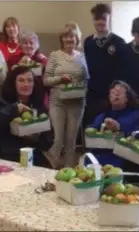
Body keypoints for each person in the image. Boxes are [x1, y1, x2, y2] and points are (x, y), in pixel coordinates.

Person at [0, 66, 53, 167]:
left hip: (32, 156)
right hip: (6, 158)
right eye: (21, 80)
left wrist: (37, 137)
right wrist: (14, 109)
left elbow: (49, 141)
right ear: (12, 83)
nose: (26, 84)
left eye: (30, 81)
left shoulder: (38, 107)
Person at [43, 22, 89, 168]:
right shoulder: (55, 56)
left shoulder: (81, 56)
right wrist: (60, 79)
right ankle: (50, 167)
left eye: (72, 36)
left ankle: (69, 172)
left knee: (71, 141)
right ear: (61, 39)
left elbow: (86, 78)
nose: (69, 39)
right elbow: (46, 80)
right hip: (58, 102)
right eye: (66, 36)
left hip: (77, 103)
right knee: (58, 140)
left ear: (77, 38)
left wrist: (81, 87)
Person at [83, 3, 127, 126]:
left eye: (103, 18)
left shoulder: (119, 42)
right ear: (93, 20)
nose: (100, 22)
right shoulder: (88, 42)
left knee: (110, 130)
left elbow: (123, 70)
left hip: (112, 95)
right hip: (93, 94)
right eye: (97, 19)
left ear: (109, 18)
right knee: (91, 129)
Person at [86, 80, 139, 168]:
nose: (116, 94)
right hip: (99, 153)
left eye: (119, 92)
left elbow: (135, 134)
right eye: (113, 92)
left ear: (127, 98)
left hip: (121, 155)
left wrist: (118, 126)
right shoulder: (102, 114)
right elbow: (92, 130)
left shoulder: (135, 114)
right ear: (109, 96)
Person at [7, 30, 49, 108]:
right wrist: (19, 65)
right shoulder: (13, 59)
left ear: (36, 45)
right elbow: (9, 80)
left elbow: (46, 80)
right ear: (20, 45)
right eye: (25, 43)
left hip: (38, 95)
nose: (28, 45)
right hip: (17, 96)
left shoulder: (42, 60)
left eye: (31, 43)